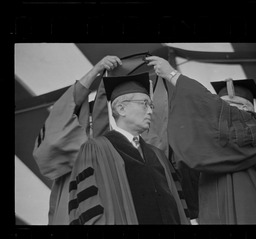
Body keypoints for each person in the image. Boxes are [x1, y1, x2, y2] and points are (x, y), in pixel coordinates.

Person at [33, 55, 189, 225]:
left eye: (149, 105)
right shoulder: (85, 147)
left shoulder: (147, 148)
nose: (97, 122)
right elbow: (58, 124)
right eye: (90, 119)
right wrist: (96, 71)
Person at [146, 55, 256, 224]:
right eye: (224, 107)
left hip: (254, 214)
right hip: (213, 214)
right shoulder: (208, 142)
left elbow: (214, 112)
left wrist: (173, 75)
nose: (227, 115)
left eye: (235, 109)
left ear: (249, 110)